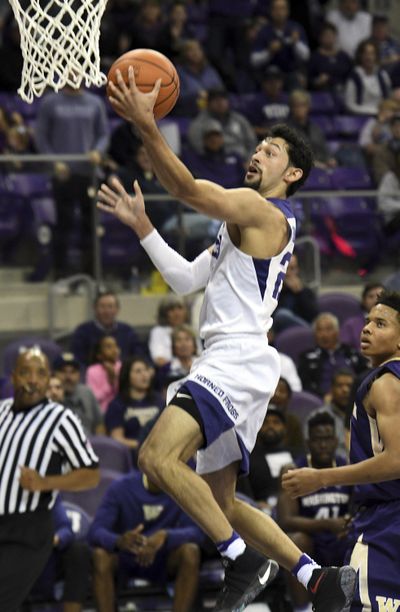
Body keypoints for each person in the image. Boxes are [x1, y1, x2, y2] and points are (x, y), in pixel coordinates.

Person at [97, 69, 356, 611]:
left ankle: (241, 559)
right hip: (240, 363)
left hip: (234, 361)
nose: (261, 150)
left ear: (294, 173)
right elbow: (188, 280)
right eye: (260, 143)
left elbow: (187, 189)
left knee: (155, 458)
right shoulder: (243, 224)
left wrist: (148, 127)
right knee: (221, 501)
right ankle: (316, 579)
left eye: (274, 150)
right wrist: (144, 226)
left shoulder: (262, 211)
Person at [283, 290, 400, 611]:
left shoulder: (385, 382)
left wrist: (321, 478)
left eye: (380, 324)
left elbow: (395, 461)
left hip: (387, 520)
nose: (366, 329)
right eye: (366, 322)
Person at [0, 348, 99, 611]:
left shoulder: (61, 418)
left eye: (41, 373)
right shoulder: (1, 412)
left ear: (48, 380)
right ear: (13, 377)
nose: (33, 380)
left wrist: (45, 483)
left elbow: (91, 474)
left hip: (27, 529)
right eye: (25, 372)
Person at [88, 470, 205, 612]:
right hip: (126, 556)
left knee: (191, 552)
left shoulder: (183, 490)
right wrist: (119, 541)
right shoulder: (121, 487)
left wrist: (166, 536)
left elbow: (199, 532)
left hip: (163, 558)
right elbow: (95, 531)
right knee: (100, 556)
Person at [279, 410, 352, 612]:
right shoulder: (293, 469)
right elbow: (285, 520)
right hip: (313, 543)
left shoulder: (347, 467)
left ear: (335, 440)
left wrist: (348, 522)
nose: (323, 445)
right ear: (308, 442)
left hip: (341, 539)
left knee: (360, 538)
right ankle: (302, 609)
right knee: (296, 540)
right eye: (318, 439)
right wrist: (327, 524)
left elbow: (359, 508)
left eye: (327, 439)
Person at [34, 84, 109, 278]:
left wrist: (98, 151)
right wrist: (54, 162)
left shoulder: (95, 102)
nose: (74, 72)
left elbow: (103, 134)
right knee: (63, 224)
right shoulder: (50, 103)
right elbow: (41, 137)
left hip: (89, 173)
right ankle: (60, 272)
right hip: (63, 174)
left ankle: (91, 273)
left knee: (90, 225)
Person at [27, 496, 91, 612]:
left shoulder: (46, 495)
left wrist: (55, 539)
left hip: (47, 563)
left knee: (79, 551)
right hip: (15, 562)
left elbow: (66, 529)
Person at [237, 405, 294, 517]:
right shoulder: (247, 457)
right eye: (265, 422)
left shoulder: (297, 454)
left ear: (284, 428)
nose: (270, 426)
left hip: (294, 510)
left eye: (276, 422)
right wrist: (254, 503)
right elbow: (242, 493)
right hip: (259, 511)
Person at [298, 312, 368, 398]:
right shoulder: (307, 358)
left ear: (337, 332)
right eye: (319, 330)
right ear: (314, 334)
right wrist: (324, 396)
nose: (324, 335)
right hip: (321, 401)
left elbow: (366, 375)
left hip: (354, 399)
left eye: (328, 329)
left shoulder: (350, 353)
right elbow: (305, 386)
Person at [105, 356, 164, 454]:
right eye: (138, 371)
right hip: (131, 457)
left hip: (160, 453)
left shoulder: (159, 400)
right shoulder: (117, 404)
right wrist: (144, 446)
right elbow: (117, 439)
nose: (144, 375)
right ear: (127, 376)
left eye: (146, 370)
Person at [70, 290, 142, 367]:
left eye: (110, 306)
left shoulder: (127, 331)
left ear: (117, 310)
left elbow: (139, 356)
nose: (107, 311)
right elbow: (77, 361)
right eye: (102, 307)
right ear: (95, 309)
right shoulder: (82, 331)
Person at [187, 87, 257, 161]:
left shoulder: (239, 119)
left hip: (244, 160)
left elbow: (252, 142)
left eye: (223, 99)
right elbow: (198, 148)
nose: (220, 102)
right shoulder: (199, 123)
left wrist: (250, 160)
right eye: (215, 100)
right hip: (218, 163)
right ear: (208, 103)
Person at [53, 352, 105, 436]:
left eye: (73, 372)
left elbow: (99, 424)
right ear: (54, 374)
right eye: (63, 371)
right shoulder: (48, 394)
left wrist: (98, 443)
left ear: (79, 375)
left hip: (87, 444)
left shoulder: (86, 392)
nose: (68, 377)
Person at [272, 251, 319, 333]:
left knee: (282, 314)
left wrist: (300, 292)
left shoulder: (306, 291)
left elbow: (314, 318)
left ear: (297, 270)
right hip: (279, 331)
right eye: (286, 268)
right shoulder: (273, 291)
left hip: (303, 331)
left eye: (292, 269)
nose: (289, 273)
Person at [344, 40, 392, 117]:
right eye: (366, 54)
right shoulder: (354, 76)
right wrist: (373, 111)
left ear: (376, 56)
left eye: (372, 54)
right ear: (360, 56)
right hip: (361, 117)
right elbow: (349, 105)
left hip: (382, 116)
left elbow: (388, 97)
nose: (369, 57)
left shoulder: (383, 75)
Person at [321, 368, 355, 458]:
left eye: (349, 386)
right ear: (331, 389)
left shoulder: (365, 416)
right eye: (340, 385)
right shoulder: (320, 416)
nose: (345, 390)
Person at [340, 283, 385, 350]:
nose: (376, 300)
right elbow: (344, 352)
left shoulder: (395, 323)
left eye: (380, 296)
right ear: (364, 301)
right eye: (371, 296)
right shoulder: (350, 325)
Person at [148, 295, 189, 367]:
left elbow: (198, 356)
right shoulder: (158, 332)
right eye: (172, 309)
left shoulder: (190, 330)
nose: (177, 313)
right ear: (164, 313)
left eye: (180, 308)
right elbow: (159, 360)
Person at [85, 335, 122, 413]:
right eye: (109, 347)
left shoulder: (122, 367)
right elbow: (94, 397)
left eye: (115, 346)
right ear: (99, 355)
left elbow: (124, 393)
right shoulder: (92, 371)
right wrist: (109, 383)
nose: (114, 349)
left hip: (120, 411)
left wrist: (114, 378)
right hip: (101, 412)